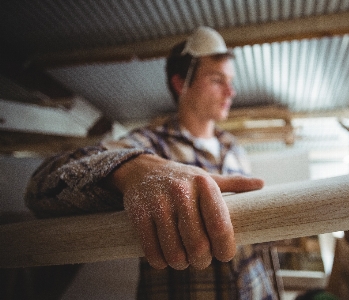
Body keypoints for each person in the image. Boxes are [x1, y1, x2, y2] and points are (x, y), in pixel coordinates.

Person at [25, 26, 279, 299]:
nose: (231, 92)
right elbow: (40, 188)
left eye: (231, 80)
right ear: (181, 83)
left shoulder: (235, 148)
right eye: (218, 80)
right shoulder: (148, 145)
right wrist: (133, 169)